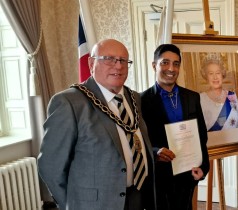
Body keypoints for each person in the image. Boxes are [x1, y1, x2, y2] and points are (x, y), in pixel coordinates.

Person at [37, 39, 156, 210]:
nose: (118, 66)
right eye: (109, 59)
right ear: (92, 63)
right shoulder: (69, 102)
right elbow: (50, 166)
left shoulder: (134, 98)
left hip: (136, 198)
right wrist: (71, 204)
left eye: (123, 60)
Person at [140, 44, 210, 210]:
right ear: (154, 65)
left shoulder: (192, 97)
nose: (171, 68)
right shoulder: (141, 100)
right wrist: (155, 151)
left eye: (176, 63)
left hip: (187, 172)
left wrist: (203, 167)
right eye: (165, 62)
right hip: (159, 176)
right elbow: (139, 140)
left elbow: (201, 135)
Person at [199, 53, 238, 131]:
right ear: (206, 76)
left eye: (218, 73)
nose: (215, 77)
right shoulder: (200, 98)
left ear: (222, 74)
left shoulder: (232, 96)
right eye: (211, 73)